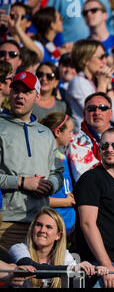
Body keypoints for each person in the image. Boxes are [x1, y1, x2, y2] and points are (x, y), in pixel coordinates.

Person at [0, 71, 64, 250]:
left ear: (37, 96)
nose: (19, 95)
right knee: (10, 277)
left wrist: (49, 185)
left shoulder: (46, 133)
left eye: (26, 91)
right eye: (16, 90)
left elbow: (57, 173)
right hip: (6, 222)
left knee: (36, 278)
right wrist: (22, 182)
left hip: (40, 224)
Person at [73, 127, 114, 288]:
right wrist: (107, 266)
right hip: (96, 269)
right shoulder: (90, 179)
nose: (109, 149)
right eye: (104, 146)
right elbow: (87, 224)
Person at [9, 206, 107, 288]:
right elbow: (34, 269)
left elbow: (77, 280)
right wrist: (74, 268)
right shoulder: (18, 248)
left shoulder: (64, 255)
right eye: (39, 225)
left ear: (58, 235)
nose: (42, 230)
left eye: (48, 227)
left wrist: (95, 271)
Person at [66, 39, 114, 131]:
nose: (105, 61)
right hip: (84, 137)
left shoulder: (96, 81)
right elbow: (97, 110)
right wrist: (102, 84)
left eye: (105, 56)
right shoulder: (78, 82)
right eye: (101, 57)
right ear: (85, 60)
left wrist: (108, 85)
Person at [39, 112, 76, 234]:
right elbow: (40, 199)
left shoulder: (62, 155)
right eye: (70, 131)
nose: (72, 135)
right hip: (51, 224)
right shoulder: (44, 157)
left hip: (68, 223)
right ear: (58, 132)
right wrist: (66, 202)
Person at [66, 92, 114, 182]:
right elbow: (89, 179)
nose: (97, 112)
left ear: (111, 113)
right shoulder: (76, 142)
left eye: (103, 108)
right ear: (84, 114)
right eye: (91, 108)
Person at [47, 0, 113, 43]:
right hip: (68, 52)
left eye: (94, 10)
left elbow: (110, 26)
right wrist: (59, 45)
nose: (89, 14)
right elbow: (46, 19)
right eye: (85, 13)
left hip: (97, 50)